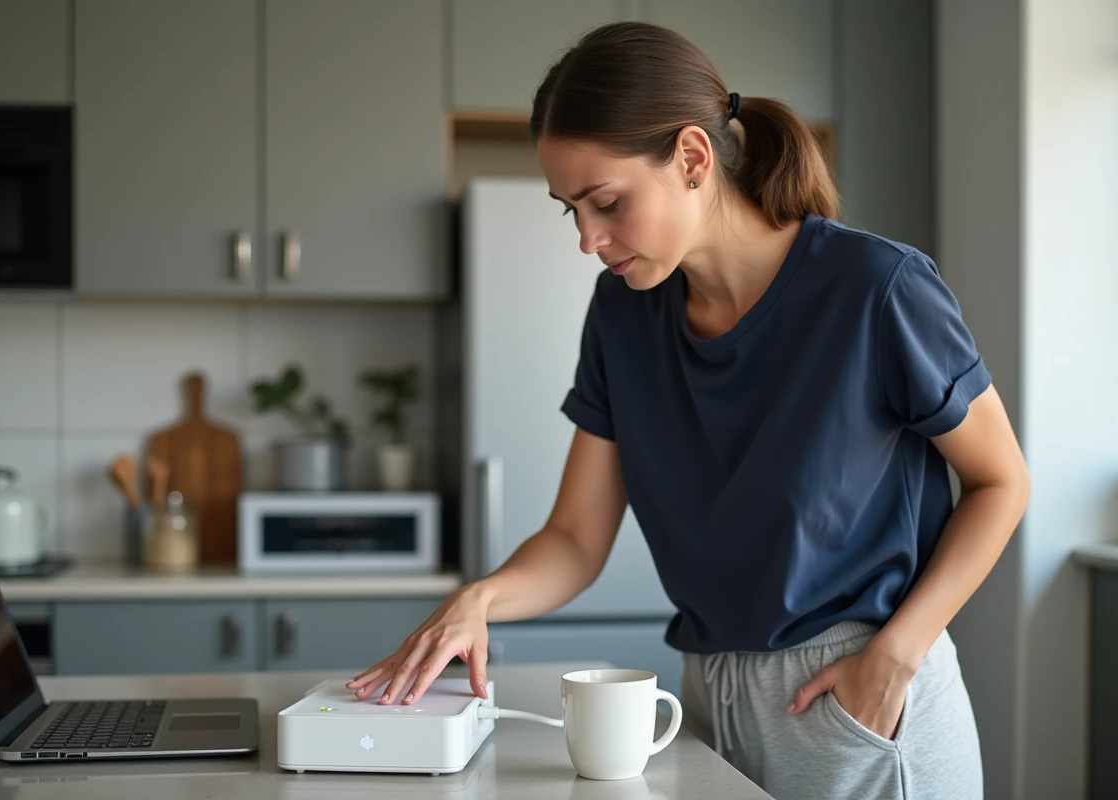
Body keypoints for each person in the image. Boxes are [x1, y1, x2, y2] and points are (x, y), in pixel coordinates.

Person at [346, 21, 1029, 800]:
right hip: (707, 695)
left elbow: (1001, 482)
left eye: (605, 201)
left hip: (861, 692)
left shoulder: (876, 289)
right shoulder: (621, 315)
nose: (588, 238)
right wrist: (479, 601)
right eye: (570, 209)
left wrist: (899, 653)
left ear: (694, 158)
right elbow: (576, 536)